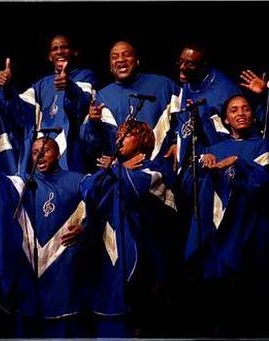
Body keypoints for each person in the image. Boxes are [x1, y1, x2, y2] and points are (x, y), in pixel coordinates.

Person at [0, 136, 90, 338]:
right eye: (35, 152)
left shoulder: (78, 180)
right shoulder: (23, 182)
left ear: (58, 153)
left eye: (46, 150)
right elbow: (0, 182)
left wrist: (84, 227)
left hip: (64, 270)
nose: (40, 155)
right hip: (30, 275)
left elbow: (99, 202)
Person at [181, 95, 269, 337]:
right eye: (233, 110)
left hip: (248, 229)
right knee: (213, 303)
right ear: (226, 119)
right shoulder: (212, 149)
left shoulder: (263, 146)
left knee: (246, 305)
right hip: (215, 234)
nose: (240, 113)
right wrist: (200, 165)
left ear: (253, 114)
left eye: (246, 108)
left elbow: (263, 183)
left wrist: (239, 163)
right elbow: (188, 190)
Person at [82, 120, 177, 337]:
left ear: (142, 140)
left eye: (127, 134)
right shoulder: (113, 170)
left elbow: (139, 191)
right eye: (118, 135)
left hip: (146, 255)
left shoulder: (155, 169)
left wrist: (117, 170)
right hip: (110, 256)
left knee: (141, 323)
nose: (119, 138)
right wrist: (116, 169)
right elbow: (87, 189)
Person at [0, 33, 96, 174]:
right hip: (41, 156)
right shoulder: (41, 85)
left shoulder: (85, 75)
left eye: (64, 47)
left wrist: (70, 87)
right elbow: (21, 112)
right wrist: (7, 88)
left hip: (69, 153)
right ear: (50, 56)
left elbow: (81, 108)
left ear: (74, 52)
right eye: (55, 49)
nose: (59, 51)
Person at [80, 40, 181, 173]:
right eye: (115, 57)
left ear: (137, 60)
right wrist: (92, 122)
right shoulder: (102, 98)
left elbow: (184, 118)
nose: (121, 59)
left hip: (161, 171)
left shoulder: (164, 85)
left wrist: (177, 143)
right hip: (122, 176)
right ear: (110, 66)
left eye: (126, 55)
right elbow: (91, 147)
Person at [174, 42, 242, 174]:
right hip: (199, 156)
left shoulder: (225, 91)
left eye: (189, 64)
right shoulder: (189, 82)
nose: (182, 67)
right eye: (180, 61)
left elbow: (240, 134)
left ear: (203, 66)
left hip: (225, 159)